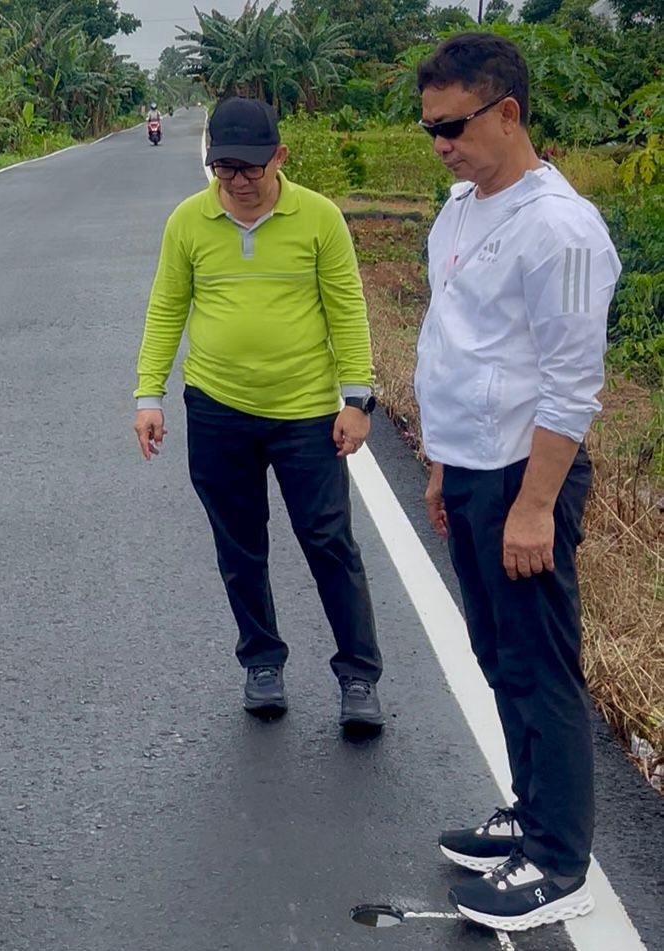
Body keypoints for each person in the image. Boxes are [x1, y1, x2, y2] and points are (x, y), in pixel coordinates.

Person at [414, 33, 620, 931]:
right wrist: (439, 464)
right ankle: (530, 812)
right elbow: (454, 342)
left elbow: (573, 386)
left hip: (522, 480)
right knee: (499, 659)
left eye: (453, 126)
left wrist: (535, 506)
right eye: (429, 128)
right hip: (470, 469)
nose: (440, 144)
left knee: (539, 667)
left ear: (507, 112)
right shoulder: (461, 207)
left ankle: (560, 859)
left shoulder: (560, 228)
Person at [133, 97, 384, 730]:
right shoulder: (188, 222)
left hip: (305, 413)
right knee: (240, 546)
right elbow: (166, 308)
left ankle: (358, 674)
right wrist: (148, 395)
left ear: (279, 156)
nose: (238, 181)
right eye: (225, 168)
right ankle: (262, 661)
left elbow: (346, 308)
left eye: (250, 167)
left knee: (329, 542)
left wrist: (357, 400)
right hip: (217, 409)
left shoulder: (319, 218)